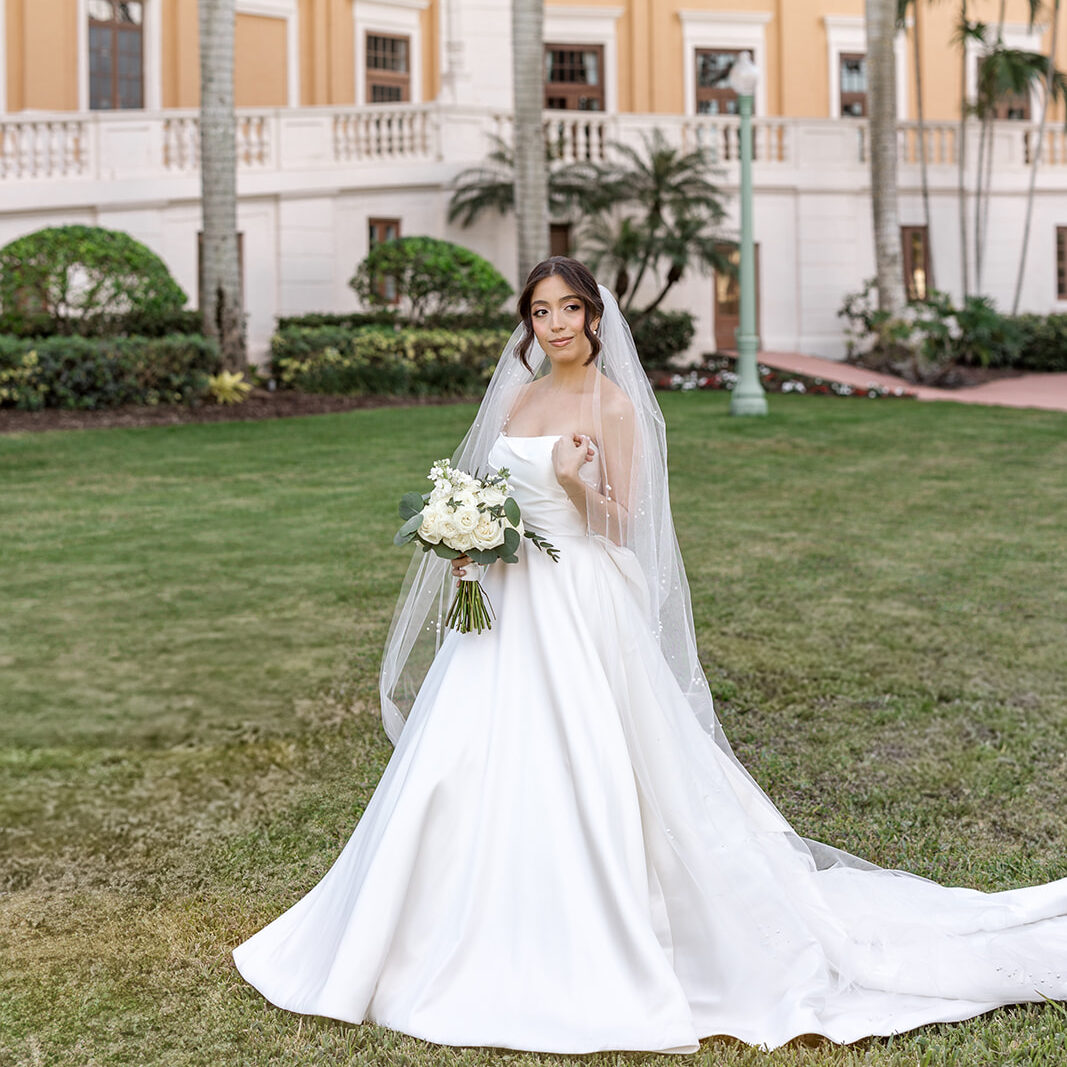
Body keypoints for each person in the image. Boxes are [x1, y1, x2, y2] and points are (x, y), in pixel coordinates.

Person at [233, 256, 1067, 1054]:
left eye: (567, 308)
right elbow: (491, 491)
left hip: (577, 601)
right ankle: (434, 924)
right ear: (528, 324)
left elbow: (620, 523)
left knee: (589, 756)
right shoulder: (518, 399)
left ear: (593, 315)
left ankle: (607, 920)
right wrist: (470, 539)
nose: (554, 322)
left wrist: (572, 482)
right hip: (504, 604)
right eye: (539, 311)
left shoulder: (613, 406)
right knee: (462, 760)